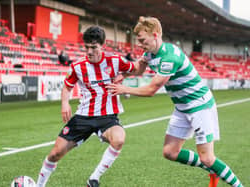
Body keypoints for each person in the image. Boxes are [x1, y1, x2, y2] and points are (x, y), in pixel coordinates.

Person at [107, 16, 244, 187]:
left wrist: (124, 89)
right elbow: (139, 68)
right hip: (182, 107)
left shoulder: (169, 58)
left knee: (208, 157)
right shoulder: (149, 53)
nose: (139, 44)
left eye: (142, 40)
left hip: (199, 106)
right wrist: (124, 75)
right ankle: (211, 169)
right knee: (170, 152)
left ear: (155, 35)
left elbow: (151, 90)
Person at [36, 26, 142, 187]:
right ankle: (39, 185)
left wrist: (124, 74)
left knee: (119, 139)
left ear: (102, 45)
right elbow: (67, 87)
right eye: (87, 47)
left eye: (94, 47)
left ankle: (94, 178)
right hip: (83, 116)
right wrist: (65, 103)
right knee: (55, 153)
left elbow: (136, 69)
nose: (90, 51)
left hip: (108, 117)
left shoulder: (115, 60)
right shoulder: (78, 66)